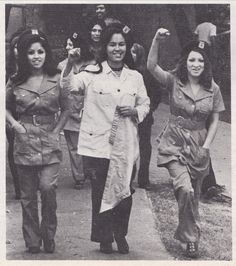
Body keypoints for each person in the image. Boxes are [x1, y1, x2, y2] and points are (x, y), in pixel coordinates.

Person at [61, 23, 150, 254]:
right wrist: (70, 62)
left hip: (127, 144)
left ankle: (121, 235)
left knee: (124, 191)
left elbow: (145, 103)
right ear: (106, 47)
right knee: (100, 191)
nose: (117, 49)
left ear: (126, 47)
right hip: (99, 145)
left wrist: (136, 112)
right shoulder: (92, 73)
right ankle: (104, 238)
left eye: (121, 44)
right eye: (112, 44)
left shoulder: (135, 77)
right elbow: (69, 85)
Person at [147, 28, 225, 258]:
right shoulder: (173, 80)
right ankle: (191, 239)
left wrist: (207, 147)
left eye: (200, 60)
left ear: (206, 64)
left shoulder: (213, 89)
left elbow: (215, 119)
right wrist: (156, 41)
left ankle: (190, 234)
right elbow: (151, 67)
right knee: (185, 188)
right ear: (185, 61)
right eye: (192, 59)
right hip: (174, 141)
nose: (196, 63)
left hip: (199, 145)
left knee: (193, 195)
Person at [6, 29, 70, 254]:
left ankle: (48, 234)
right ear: (24, 55)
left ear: (46, 53)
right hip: (24, 140)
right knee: (28, 196)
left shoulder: (56, 77)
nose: (36, 56)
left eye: (40, 51)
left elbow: (67, 108)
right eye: (31, 52)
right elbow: (4, 107)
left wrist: (57, 131)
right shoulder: (15, 80)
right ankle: (32, 239)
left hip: (49, 140)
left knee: (47, 188)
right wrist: (14, 124)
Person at [58, 32, 95, 189]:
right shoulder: (62, 65)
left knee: (90, 144)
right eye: (67, 44)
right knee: (74, 147)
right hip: (70, 111)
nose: (68, 48)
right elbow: (61, 87)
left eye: (71, 45)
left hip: (89, 111)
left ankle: (90, 171)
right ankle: (79, 176)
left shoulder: (93, 64)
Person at [130, 43, 162, 190]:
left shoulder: (146, 72)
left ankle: (144, 179)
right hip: (128, 114)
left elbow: (157, 92)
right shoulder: (126, 70)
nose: (131, 55)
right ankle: (128, 177)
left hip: (144, 115)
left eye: (134, 52)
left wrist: (150, 108)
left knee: (144, 146)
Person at [5, 28, 26, 200]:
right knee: (14, 149)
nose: (18, 49)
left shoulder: (33, 66)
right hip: (11, 113)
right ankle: (19, 187)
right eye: (16, 46)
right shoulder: (7, 69)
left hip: (28, 112)